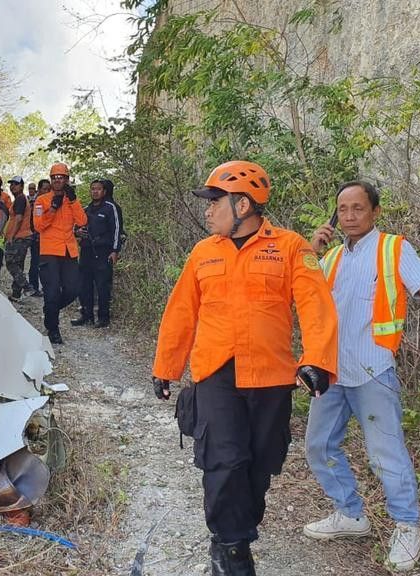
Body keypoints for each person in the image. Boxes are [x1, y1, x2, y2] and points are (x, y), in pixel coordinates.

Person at [152, 160, 339, 576]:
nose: (207, 209)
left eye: (214, 201)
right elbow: (181, 312)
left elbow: (315, 305)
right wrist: (166, 366)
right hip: (215, 372)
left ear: (242, 205)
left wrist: (317, 360)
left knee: (261, 461)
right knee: (224, 460)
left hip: (270, 374)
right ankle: (229, 548)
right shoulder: (203, 253)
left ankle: (241, 529)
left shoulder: (290, 247)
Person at [303, 181, 420, 572]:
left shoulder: (393, 248)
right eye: (342, 209)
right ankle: (350, 514)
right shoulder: (329, 259)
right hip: (331, 373)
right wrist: (312, 251)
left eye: (358, 208)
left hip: (372, 370)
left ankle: (408, 526)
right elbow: (302, 296)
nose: (349, 216)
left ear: (375, 212)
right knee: (318, 446)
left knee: (386, 454)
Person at [32, 163, 87, 344]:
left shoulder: (71, 200)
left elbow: (82, 221)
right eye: (55, 177)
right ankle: (53, 328)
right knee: (52, 291)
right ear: (51, 179)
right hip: (49, 252)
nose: (58, 180)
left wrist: (73, 201)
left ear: (66, 180)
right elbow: (39, 226)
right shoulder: (42, 200)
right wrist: (53, 210)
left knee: (73, 289)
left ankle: (51, 309)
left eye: (61, 177)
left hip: (69, 251)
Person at [73, 178, 123, 327]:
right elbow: (76, 226)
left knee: (102, 286)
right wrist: (77, 232)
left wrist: (115, 251)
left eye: (98, 189)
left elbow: (117, 230)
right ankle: (86, 315)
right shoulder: (86, 208)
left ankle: (103, 318)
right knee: (84, 285)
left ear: (104, 191)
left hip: (103, 252)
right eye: (93, 188)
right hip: (87, 251)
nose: (95, 191)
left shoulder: (111, 207)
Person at [4, 176, 35, 300]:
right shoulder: (19, 199)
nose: (13, 186)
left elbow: (18, 218)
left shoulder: (20, 199)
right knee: (18, 264)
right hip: (22, 236)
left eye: (16, 184)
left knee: (11, 263)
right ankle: (16, 294)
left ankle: (27, 287)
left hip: (20, 237)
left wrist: (11, 235)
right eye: (11, 184)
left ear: (21, 186)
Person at [28, 179, 51, 296]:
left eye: (48, 189)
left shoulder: (52, 202)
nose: (46, 191)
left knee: (47, 265)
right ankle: (33, 287)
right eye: (44, 189)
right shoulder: (36, 203)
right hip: (37, 238)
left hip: (49, 240)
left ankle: (46, 288)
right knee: (35, 263)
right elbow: (34, 222)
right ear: (39, 189)